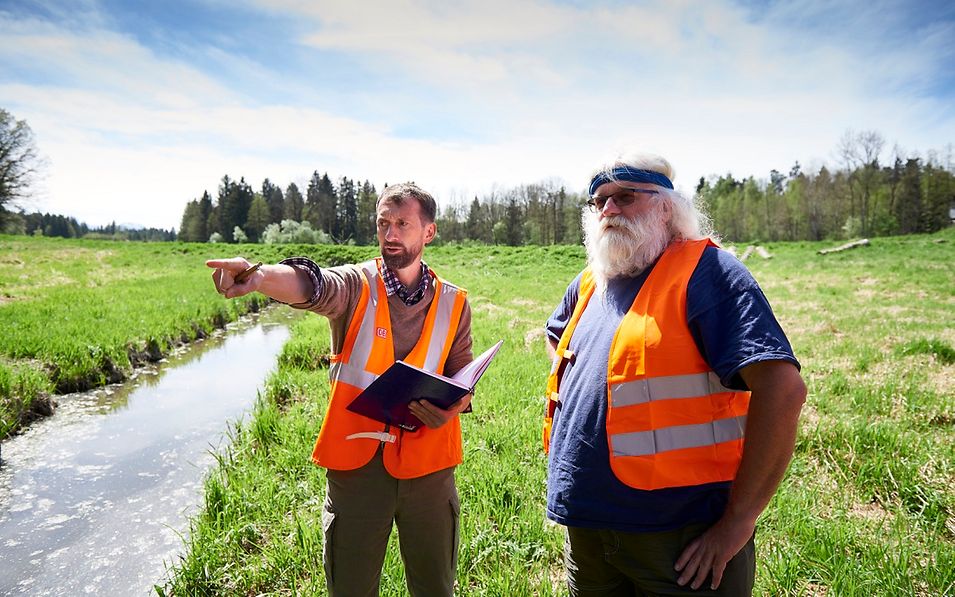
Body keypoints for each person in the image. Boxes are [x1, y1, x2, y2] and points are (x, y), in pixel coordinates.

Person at [543, 151, 806, 596]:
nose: (608, 209)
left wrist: (737, 523)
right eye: (599, 200)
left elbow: (783, 390)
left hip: (679, 541)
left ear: (667, 207)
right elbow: (559, 339)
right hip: (587, 530)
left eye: (625, 196)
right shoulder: (591, 280)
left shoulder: (708, 273)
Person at [208, 183, 473, 597]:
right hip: (357, 469)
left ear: (429, 232)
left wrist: (454, 408)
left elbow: (463, 379)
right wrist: (259, 276)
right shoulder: (356, 285)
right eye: (383, 223)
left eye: (402, 223)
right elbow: (312, 284)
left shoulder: (455, 303)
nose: (390, 234)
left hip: (431, 471)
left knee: (436, 588)